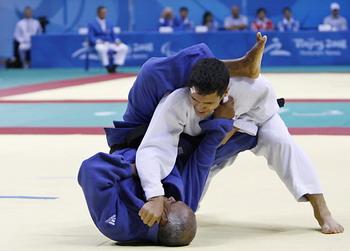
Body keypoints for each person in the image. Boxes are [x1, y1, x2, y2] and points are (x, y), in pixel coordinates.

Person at [123, 33, 343, 234]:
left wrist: (234, 126)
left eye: (207, 103)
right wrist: (154, 193)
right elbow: (154, 148)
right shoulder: (175, 103)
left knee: (280, 141)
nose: (200, 108)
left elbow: (264, 108)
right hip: (209, 135)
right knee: (189, 201)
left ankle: (321, 210)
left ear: (225, 93)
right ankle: (192, 200)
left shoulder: (254, 89)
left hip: (255, 117)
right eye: (196, 100)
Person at [79, 116, 256, 245]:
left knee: (153, 74)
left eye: (172, 203)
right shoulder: (186, 201)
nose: (172, 198)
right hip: (177, 146)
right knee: (250, 134)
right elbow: (201, 161)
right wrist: (226, 125)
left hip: (134, 136)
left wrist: (138, 168)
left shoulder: (118, 224)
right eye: (175, 200)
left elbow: (91, 170)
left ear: (162, 219)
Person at [88, 6, 129, 73]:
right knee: (101, 49)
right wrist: (98, 41)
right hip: (100, 44)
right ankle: (107, 67)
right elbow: (91, 36)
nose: (104, 14)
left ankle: (114, 66)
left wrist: (117, 41)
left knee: (124, 47)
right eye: (102, 12)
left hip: (110, 43)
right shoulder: (92, 24)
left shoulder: (110, 23)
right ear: (98, 13)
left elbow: (114, 35)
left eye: (105, 12)